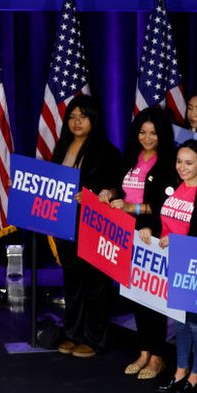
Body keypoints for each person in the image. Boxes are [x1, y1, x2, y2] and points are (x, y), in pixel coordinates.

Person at [98, 107, 176, 380]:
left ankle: (157, 356)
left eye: (153, 133)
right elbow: (122, 187)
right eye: (142, 132)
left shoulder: (168, 162)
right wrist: (111, 191)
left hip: (152, 234)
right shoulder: (131, 156)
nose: (147, 137)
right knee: (136, 295)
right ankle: (143, 350)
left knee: (154, 299)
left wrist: (133, 208)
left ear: (162, 134)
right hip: (126, 235)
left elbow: (167, 206)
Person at [51, 95, 123, 358]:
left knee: (96, 284)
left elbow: (117, 188)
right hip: (66, 225)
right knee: (72, 282)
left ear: (94, 118)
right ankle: (73, 333)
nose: (76, 121)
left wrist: (95, 194)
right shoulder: (62, 147)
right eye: (71, 116)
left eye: (82, 116)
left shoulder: (107, 151)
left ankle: (95, 338)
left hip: (94, 228)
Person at [156, 140, 197, 393]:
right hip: (172, 263)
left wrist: (179, 241)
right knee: (179, 323)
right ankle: (180, 370)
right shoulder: (171, 188)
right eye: (179, 161)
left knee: (196, 323)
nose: (182, 167)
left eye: (189, 162)